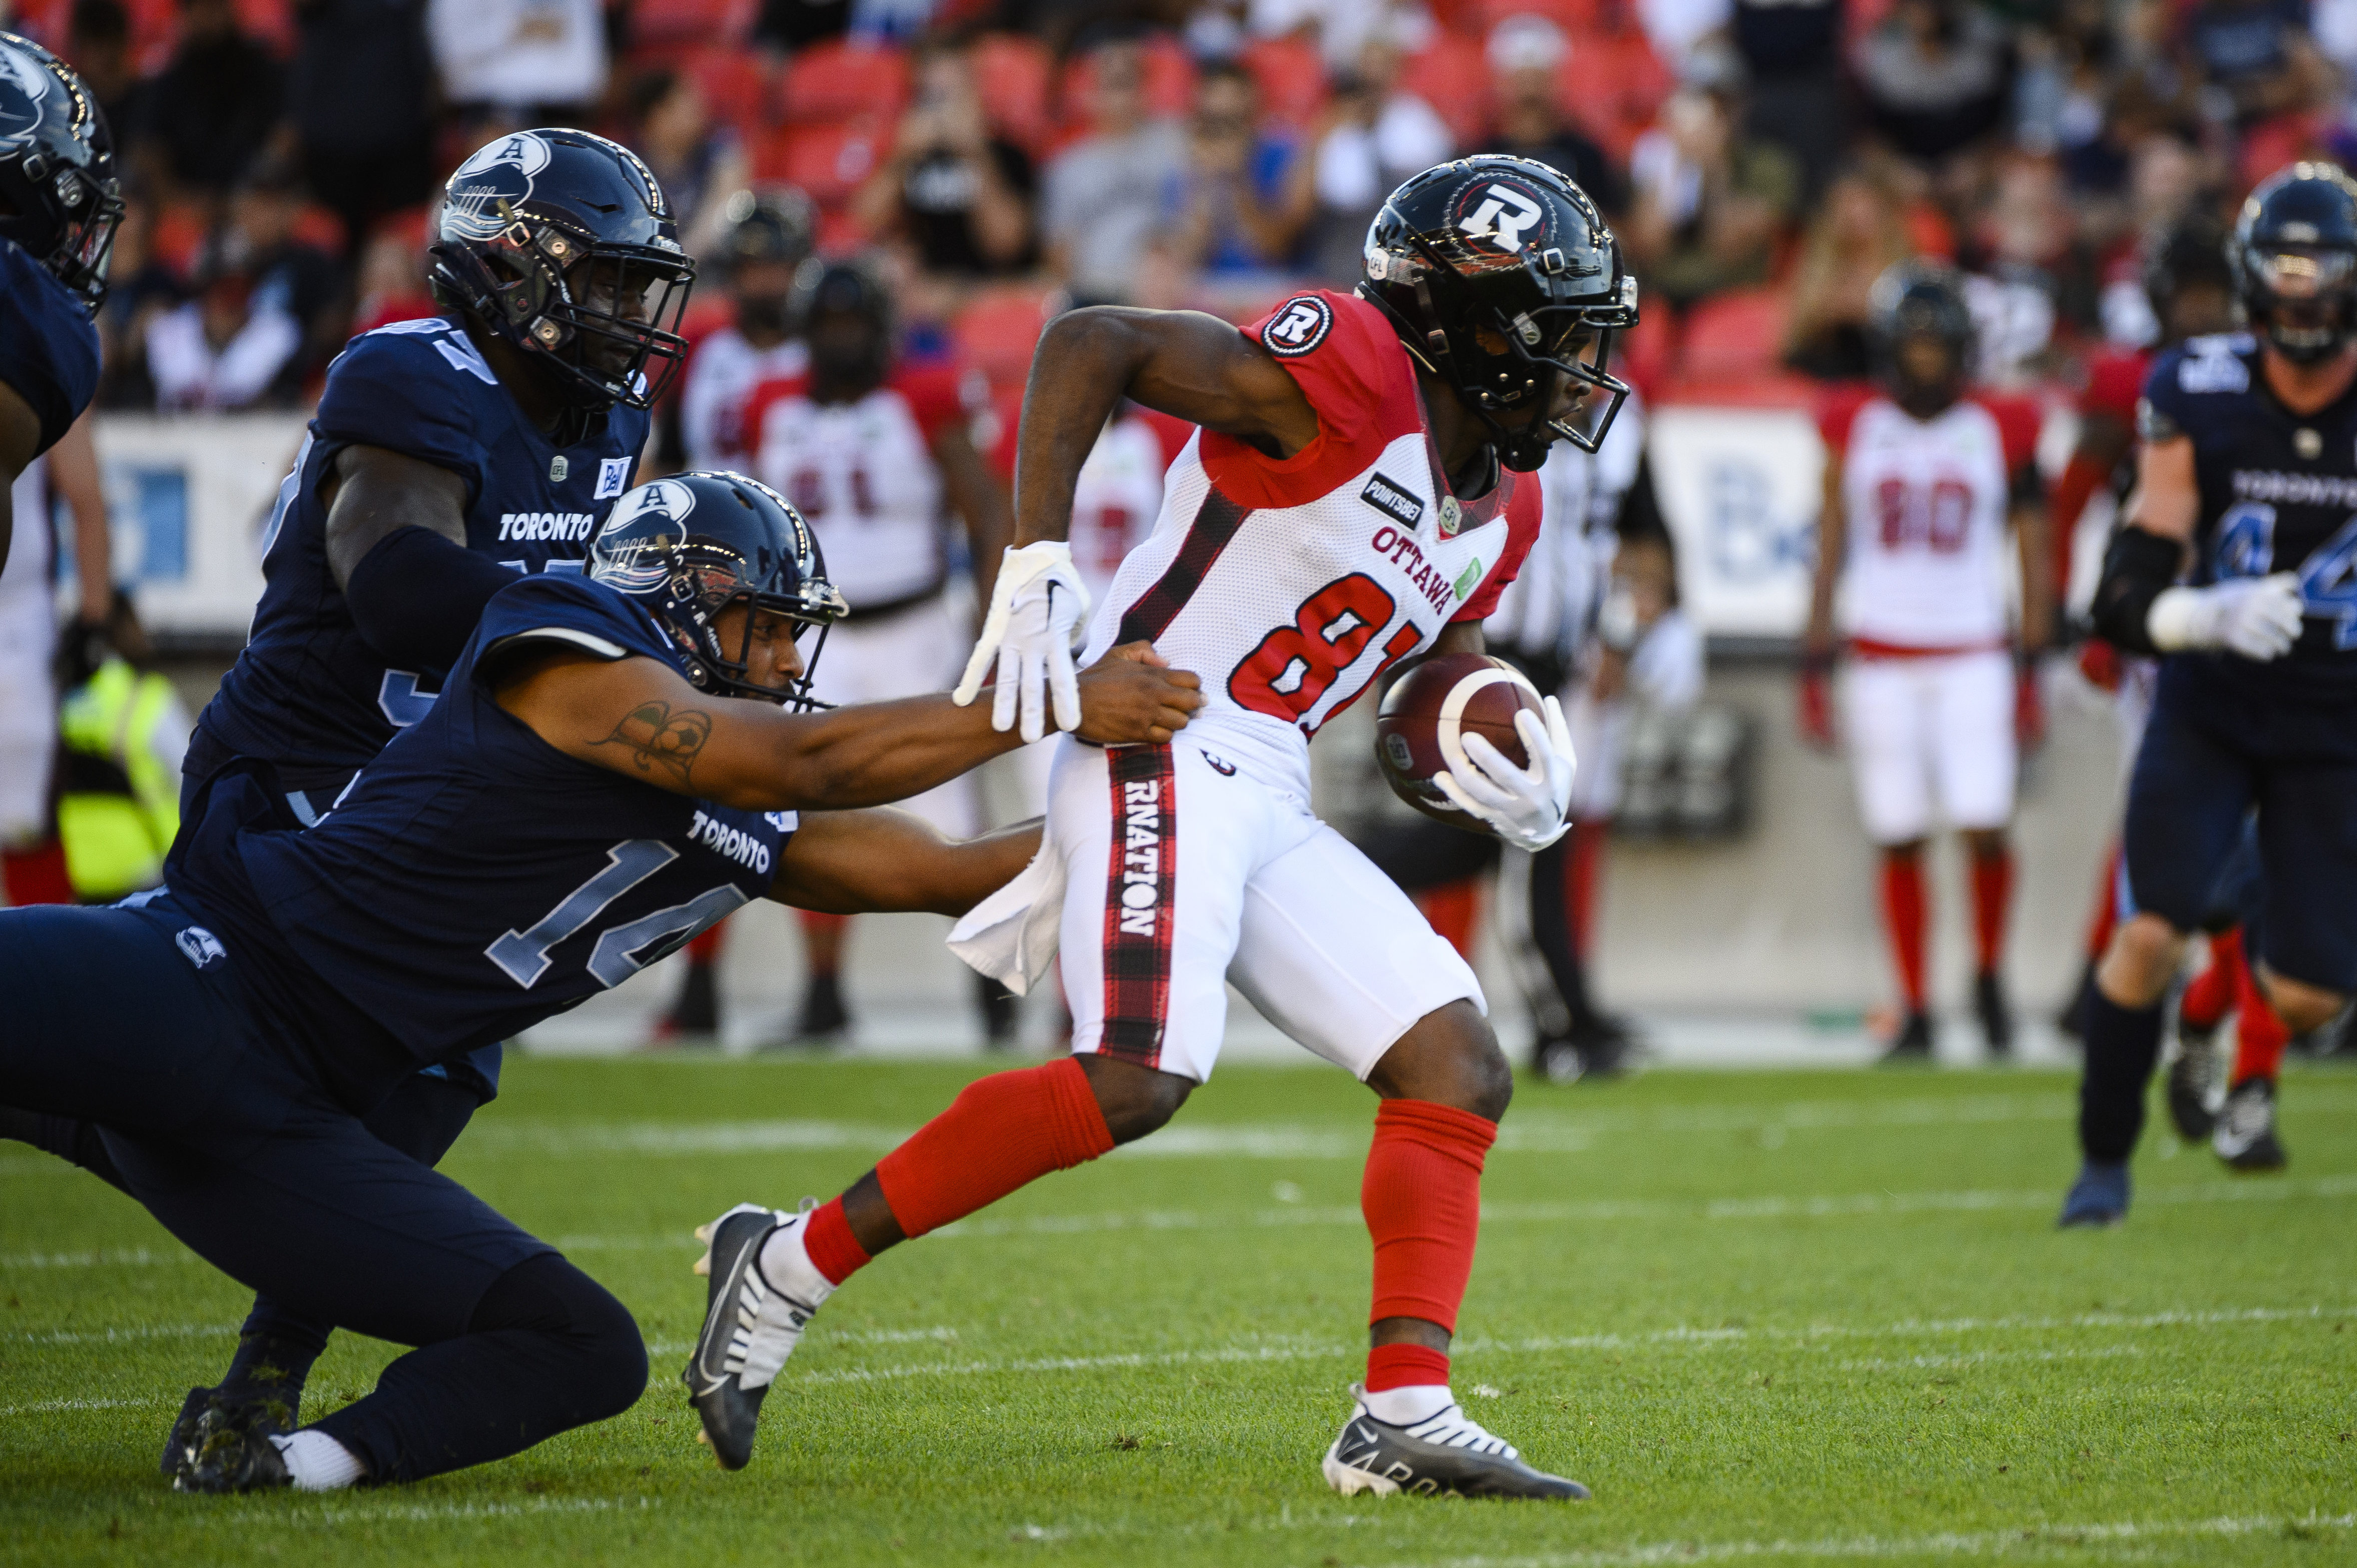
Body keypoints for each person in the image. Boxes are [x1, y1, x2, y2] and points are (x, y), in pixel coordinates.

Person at [685, 155, 1631, 1501]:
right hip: (1156, 723)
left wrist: (1486, 729)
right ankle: (782, 1261)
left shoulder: (1510, 500)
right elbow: (1094, 340)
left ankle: (1400, 1409)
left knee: (1454, 1060)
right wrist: (1033, 559)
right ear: (1469, 326)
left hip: (1268, 774)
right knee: (1134, 1073)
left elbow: (1432, 651)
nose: (1582, 366)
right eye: (1560, 333)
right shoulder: (1346, 377)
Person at [0, 471, 1204, 1493]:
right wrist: (1052, 698)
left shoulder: (741, 781)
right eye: (770, 628)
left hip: (296, 1115)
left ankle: (283, 1461)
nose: (789, 660)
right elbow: (805, 754)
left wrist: (1193, 818)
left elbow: (946, 871)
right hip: (208, 979)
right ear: (678, 603)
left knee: (583, 1346)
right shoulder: (566, 652)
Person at [3, 127, 696, 1468]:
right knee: (334, 1060)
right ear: (515, 268)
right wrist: (611, 652)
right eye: (605, 282)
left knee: (434, 1072)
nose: (628, 317)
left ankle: (258, 1364)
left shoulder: (612, 417)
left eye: (635, 286)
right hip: (298, 783)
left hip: (423, 795)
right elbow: (399, 587)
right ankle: (118, 1127)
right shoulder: (409, 371)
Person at [2062, 164, 2357, 1224]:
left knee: (2316, 991)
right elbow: (2129, 581)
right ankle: (2103, 1167)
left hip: (2336, 718)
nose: (2305, 299)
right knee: (2151, 927)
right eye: (2286, 277)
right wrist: (2206, 614)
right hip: (2216, 703)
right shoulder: (2201, 387)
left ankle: (2209, 1024)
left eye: (2324, 276)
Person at [725, 260, 1014, 1045]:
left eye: (853, 326)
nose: (841, 340)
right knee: (806, 813)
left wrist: (991, 624)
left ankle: (991, 1005)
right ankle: (823, 999)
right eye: (828, 326)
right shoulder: (766, 404)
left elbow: (987, 512)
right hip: (810, 639)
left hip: (915, 627)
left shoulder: (922, 395)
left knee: (953, 823)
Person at [1801, 261, 2053, 1062]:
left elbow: (2031, 547)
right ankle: (1913, 1002)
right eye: (1909, 343)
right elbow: (1831, 534)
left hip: (1971, 648)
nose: (1922, 358)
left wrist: (2032, 658)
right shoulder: (1855, 423)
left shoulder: (1998, 426)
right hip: (1878, 648)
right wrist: (1812, 652)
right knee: (1898, 832)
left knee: (1983, 823)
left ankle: (1987, 975)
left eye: (1934, 344)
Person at [0, 33, 122, 904]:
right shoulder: (34, 355)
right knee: (22, 815)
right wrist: (92, 616)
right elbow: (84, 498)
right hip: (19, 621)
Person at [850, 40, 1036, 280]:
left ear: (976, 95)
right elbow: (866, 221)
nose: (943, 112)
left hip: (989, 288)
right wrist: (902, 157)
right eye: (931, 97)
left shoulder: (1009, 155)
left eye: (952, 96)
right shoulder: (909, 156)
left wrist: (975, 153)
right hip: (925, 287)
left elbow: (1006, 246)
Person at [671, 190, 814, 475]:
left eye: (778, 267)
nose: (766, 282)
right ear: (732, 272)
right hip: (705, 502)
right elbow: (670, 453)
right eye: (753, 268)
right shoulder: (703, 344)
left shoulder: (820, 353)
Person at [1039, 38, 1187, 306]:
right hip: (1098, 293)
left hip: (1170, 291)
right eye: (1113, 85)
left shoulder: (1178, 143)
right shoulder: (1068, 166)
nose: (1122, 97)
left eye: (1130, 83)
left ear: (1145, 90)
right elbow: (1058, 252)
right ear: (1090, 94)